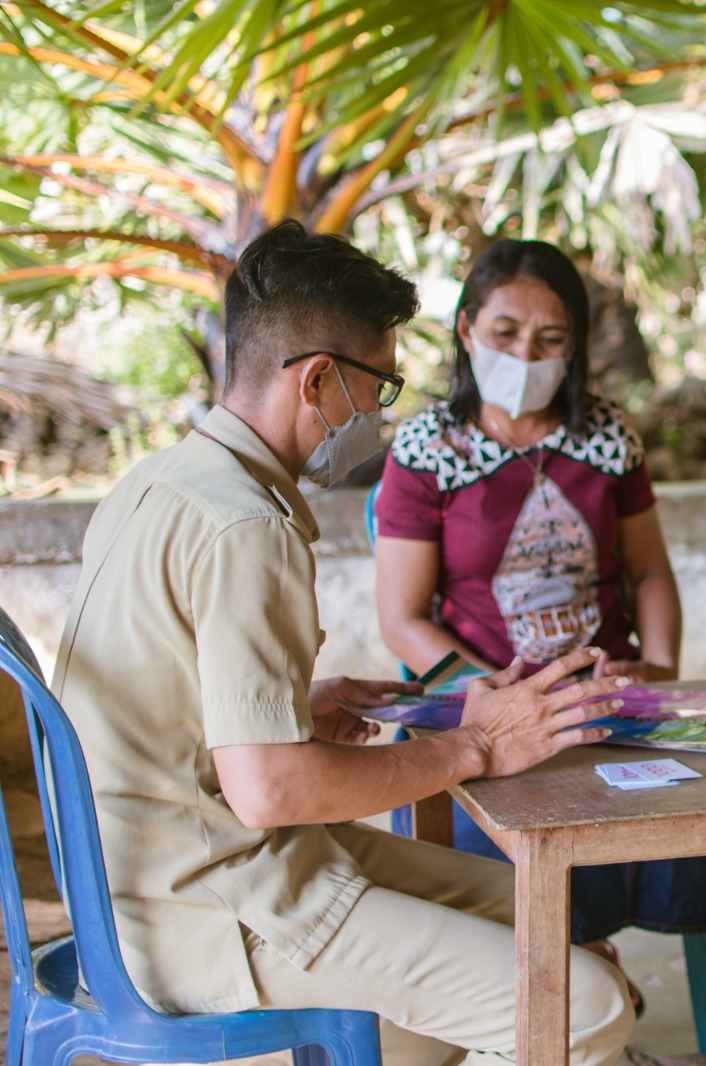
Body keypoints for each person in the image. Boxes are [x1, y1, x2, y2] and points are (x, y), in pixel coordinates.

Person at [52, 221, 636, 1066]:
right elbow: (270, 788)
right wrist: (476, 745)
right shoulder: (246, 525)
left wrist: (302, 708)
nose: (377, 416)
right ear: (319, 378)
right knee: (587, 1004)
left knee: (529, 907)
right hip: (209, 911)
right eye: (378, 388)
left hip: (138, 882)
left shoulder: (159, 482)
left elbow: (184, 712)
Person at [372, 238, 706, 970]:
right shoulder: (425, 449)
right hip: (472, 706)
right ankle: (572, 979)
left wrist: (659, 669)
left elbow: (650, 573)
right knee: (489, 851)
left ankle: (586, 975)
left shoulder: (607, 438)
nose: (526, 354)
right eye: (506, 333)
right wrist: (497, 701)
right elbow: (402, 617)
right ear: (467, 330)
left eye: (550, 339)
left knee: (694, 811)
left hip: (604, 702)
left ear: (574, 347)